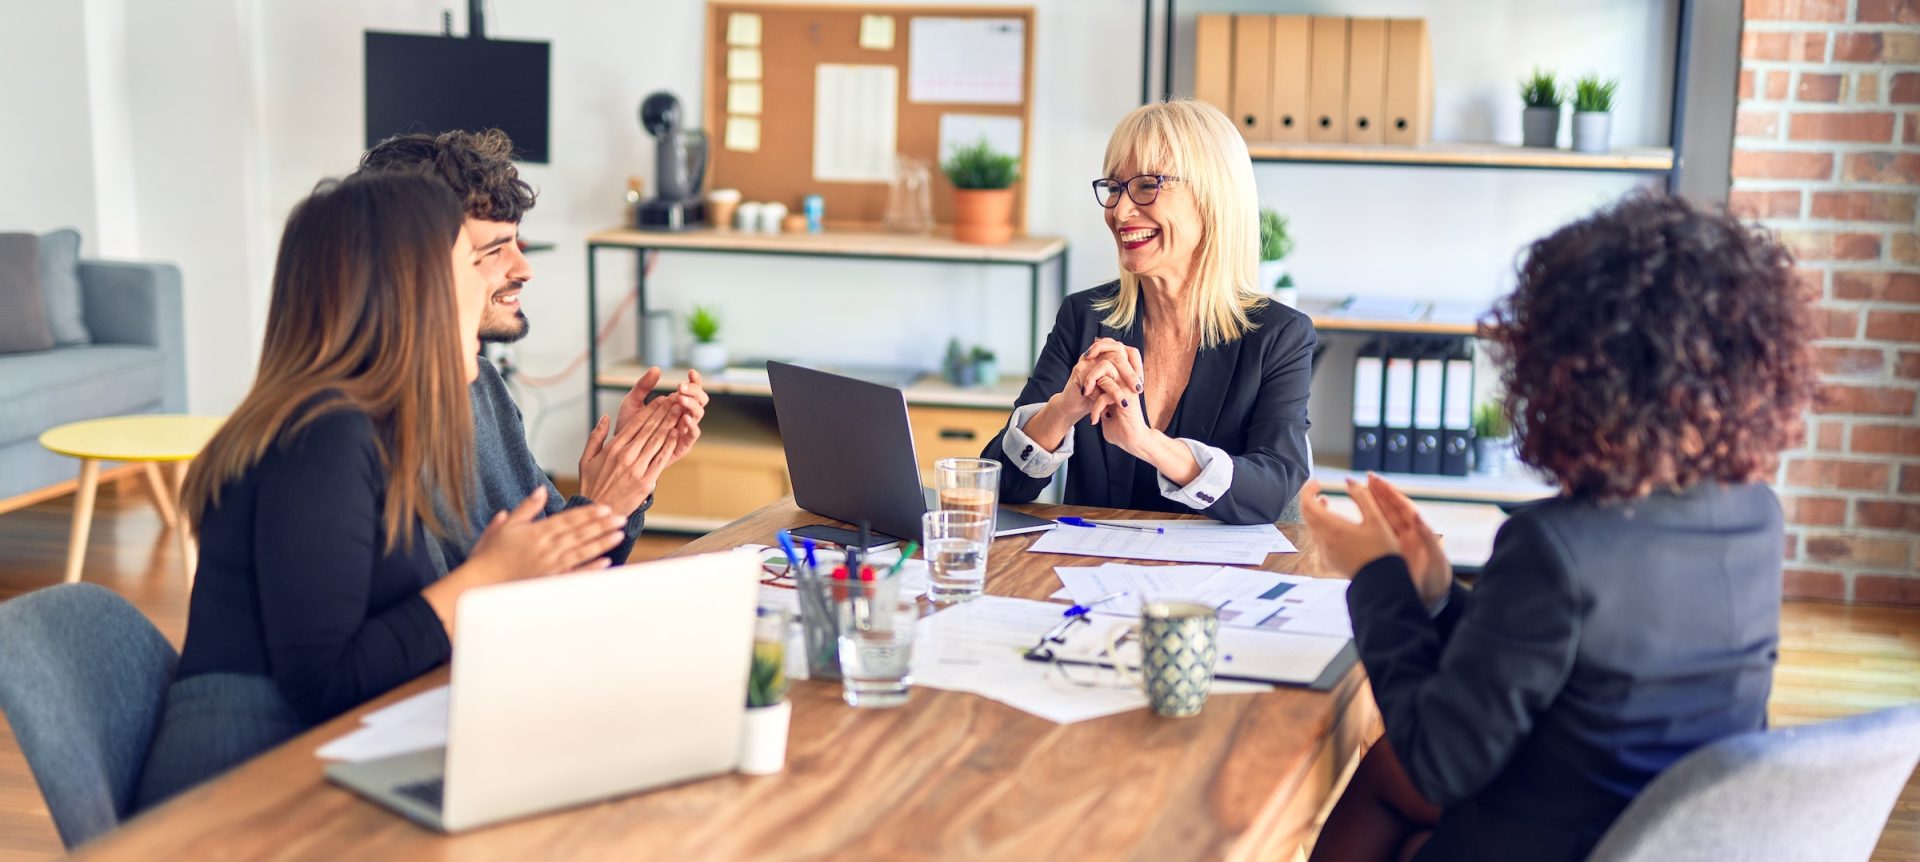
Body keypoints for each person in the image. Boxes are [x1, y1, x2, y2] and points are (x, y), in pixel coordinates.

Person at [1302, 192, 1819, 862]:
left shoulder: (1559, 548)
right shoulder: (1756, 515)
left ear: (1569, 370)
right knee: (1384, 779)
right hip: (1671, 833)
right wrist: (1430, 594)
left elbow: (1436, 758)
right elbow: (1541, 665)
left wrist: (1376, 579)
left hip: (1566, 842)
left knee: (1390, 777)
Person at [135, 172, 628, 808]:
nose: (486, 285)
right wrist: (482, 580)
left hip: (325, 746)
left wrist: (523, 567)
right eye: (466, 264)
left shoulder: (376, 426)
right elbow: (323, 683)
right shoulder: (323, 435)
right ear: (406, 291)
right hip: (239, 785)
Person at [357, 129, 707, 574]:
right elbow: (450, 628)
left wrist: (627, 480)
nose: (524, 269)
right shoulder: (370, 436)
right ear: (417, 264)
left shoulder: (485, 386)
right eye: (496, 249)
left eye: (517, 242)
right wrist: (600, 505)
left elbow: (564, 565)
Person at [983, 99, 1314, 524]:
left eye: (1146, 186)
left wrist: (1146, 443)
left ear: (1212, 198)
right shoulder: (1084, 317)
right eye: (1115, 188)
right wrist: (1062, 410)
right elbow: (999, 487)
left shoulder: (1278, 335)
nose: (1119, 211)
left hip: (1215, 584)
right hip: (1089, 575)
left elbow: (1272, 487)